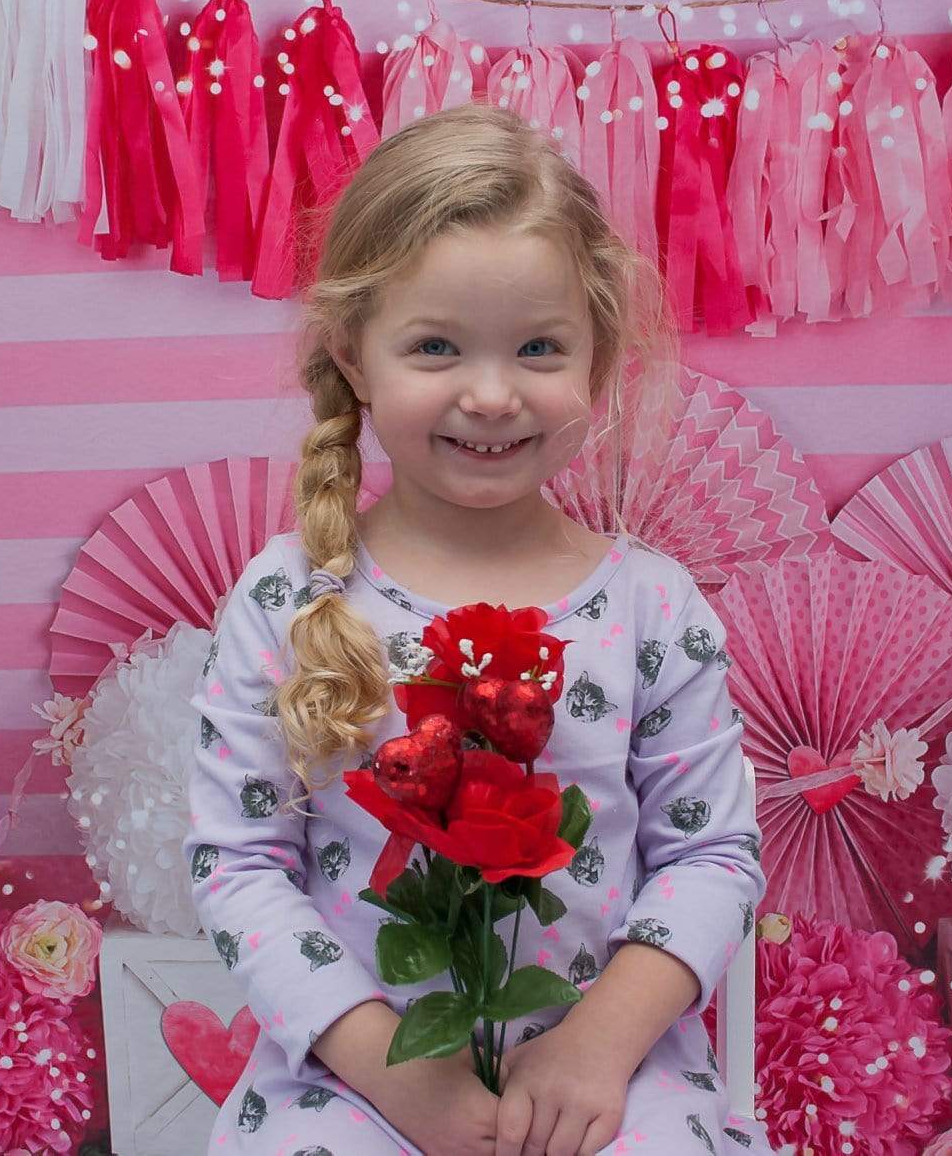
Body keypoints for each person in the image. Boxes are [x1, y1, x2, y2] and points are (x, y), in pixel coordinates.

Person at [183, 104, 772, 1156]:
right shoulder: (287, 596)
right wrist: (401, 1079)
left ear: (596, 360)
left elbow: (712, 848)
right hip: (362, 1076)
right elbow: (240, 862)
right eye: (436, 346)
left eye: (539, 347)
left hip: (606, 1075)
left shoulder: (652, 606)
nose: (492, 393)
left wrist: (598, 1046)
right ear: (354, 358)